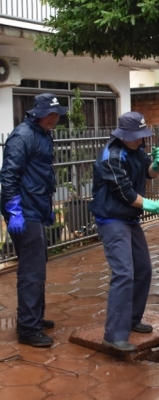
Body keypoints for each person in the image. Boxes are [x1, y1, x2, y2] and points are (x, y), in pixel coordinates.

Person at [89, 111, 159, 352]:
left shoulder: (136, 150)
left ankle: (132, 319)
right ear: (124, 135)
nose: (141, 140)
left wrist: (157, 165)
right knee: (124, 272)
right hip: (112, 219)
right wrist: (151, 204)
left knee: (143, 268)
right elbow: (124, 192)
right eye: (137, 136)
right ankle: (114, 335)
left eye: (143, 136)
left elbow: (148, 173)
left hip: (129, 219)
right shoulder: (111, 156)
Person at [0, 93, 68, 348]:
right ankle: (29, 328)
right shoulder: (22, 137)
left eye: (57, 114)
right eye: (51, 114)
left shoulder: (42, 134)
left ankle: (33, 317)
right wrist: (14, 211)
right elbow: (8, 177)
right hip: (24, 211)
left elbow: (40, 176)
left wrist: (46, 208)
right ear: (38, 113)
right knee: (32, 270)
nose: (55, 118)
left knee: (38, 266)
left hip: (35, 208)